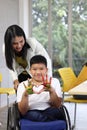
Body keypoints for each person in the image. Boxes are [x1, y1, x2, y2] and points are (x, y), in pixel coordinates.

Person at [17, 55, 65, 122]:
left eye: (41, 69)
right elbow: (23, 111)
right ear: (30, 70)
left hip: (49, 110)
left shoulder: (54, 81)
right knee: (33, 115)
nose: (38, 72)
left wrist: (52, 91)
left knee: (56, 112)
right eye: (34, 69)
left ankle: (43, 121)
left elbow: (57, 106)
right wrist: (25, 95)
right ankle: (48, 122)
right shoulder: (23, 85)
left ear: (46, 70)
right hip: (31, 111)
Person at [4, 25, 52, 91]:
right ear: (9, 43)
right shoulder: (5, 48)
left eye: (21, 41)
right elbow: (10, 65)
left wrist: (47, 78)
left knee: (39, 97)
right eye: (15, 43)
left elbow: (46, 60)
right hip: (20, 76)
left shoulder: (32, 43)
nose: (19, 46)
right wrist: (15, 80)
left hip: (35, 75)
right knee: (22, 99)